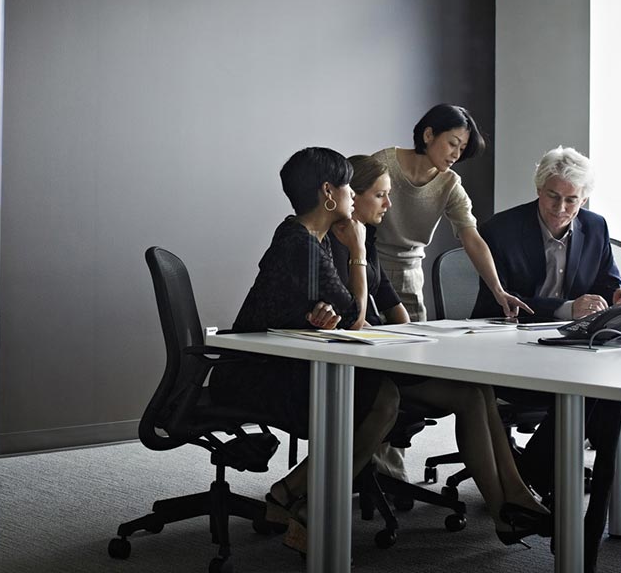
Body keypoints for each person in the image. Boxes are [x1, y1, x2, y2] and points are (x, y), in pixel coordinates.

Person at [471, 146, 621, 571]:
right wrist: (567, 309)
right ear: (539, 189)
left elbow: (608, 278)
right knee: (605, 403)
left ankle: (570, 505)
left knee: (605, 399)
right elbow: (495, 306)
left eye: (573, 199)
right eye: (553, 197)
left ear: (584, 198)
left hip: (573, 351)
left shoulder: (594, 225)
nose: (562, 208)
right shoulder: (502, 229)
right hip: (511, 354)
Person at [328, 154, 552, 545]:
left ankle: (513, 498)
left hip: (384, 354)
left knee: (478, 389)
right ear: (353, 196)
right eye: (380, 195)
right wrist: (358, 253)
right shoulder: (338, 242)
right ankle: (505, 509)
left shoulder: (368, 233)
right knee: (468, 395)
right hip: (359, 368)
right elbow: (355, 318)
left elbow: (384, 293)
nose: (389, 204)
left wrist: (416, 334)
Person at [208, 147, 400, 554]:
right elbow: (355, 317)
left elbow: (329, 311)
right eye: (348, 186)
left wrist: (321, 313)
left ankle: (299, 496)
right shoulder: (300, 241)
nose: (352, 195)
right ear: (329, 193)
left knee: (379, 394)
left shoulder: (302, 237)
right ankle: (306, 502)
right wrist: (359, 252)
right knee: (378, 397)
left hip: (277, 365)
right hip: (254, 375)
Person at [372, 103, 531, 322]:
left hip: (410, 277)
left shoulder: (450, 184)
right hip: (369, 269)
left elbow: (472, 238)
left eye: (462, 148)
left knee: (412, 349)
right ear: (429, 135)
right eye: (452, 144)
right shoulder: (382, 165)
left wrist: (498, 290)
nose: (456, 154)